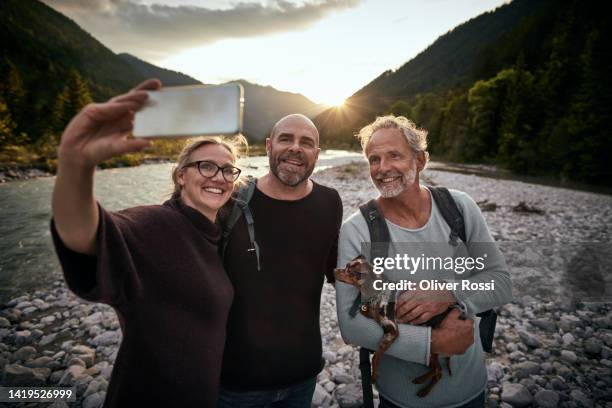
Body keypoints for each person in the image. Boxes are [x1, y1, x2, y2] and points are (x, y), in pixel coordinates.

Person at [50, 78, 244, 407]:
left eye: (228, 170)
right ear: (181, 175)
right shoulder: (156, 224)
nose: (218, 177)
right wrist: (76, 164)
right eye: (206, 166)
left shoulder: (213, 236)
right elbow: (86, 236)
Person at [336, 115, 512, 408]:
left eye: (394, 155)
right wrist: (433, 343)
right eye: (374, 159)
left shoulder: (459, 208)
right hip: (401, 399)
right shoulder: (358, 230)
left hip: (472, 391)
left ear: (420, 160)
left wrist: (448, 294)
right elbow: (351, 325)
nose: (382, 168)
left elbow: (501, 282)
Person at [218, 114, 343, 407]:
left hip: (302, 376)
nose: (296, 148)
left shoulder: (330, 202)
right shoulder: (231, 201)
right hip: (235, 381)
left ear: (317, 153)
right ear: (269, 145)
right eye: (286, 139)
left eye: (306, 142)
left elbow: (342, 272)